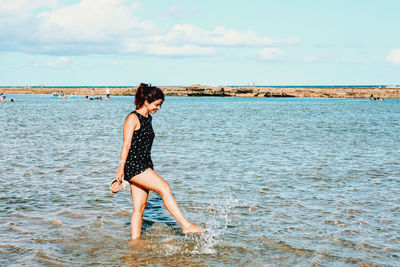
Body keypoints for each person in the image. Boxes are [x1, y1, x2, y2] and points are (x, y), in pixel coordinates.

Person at [114, 83, 205, 240]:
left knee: (139, 208)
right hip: (134, 166)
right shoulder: (132, 118)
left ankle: (134, 244)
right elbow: (126, 144)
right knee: (165, 188)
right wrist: (120, 168)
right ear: (146, 102)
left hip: (144, 164)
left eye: (160, 105)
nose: (158, 108)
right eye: (157, 104)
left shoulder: (147, 118)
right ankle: (186, 225)